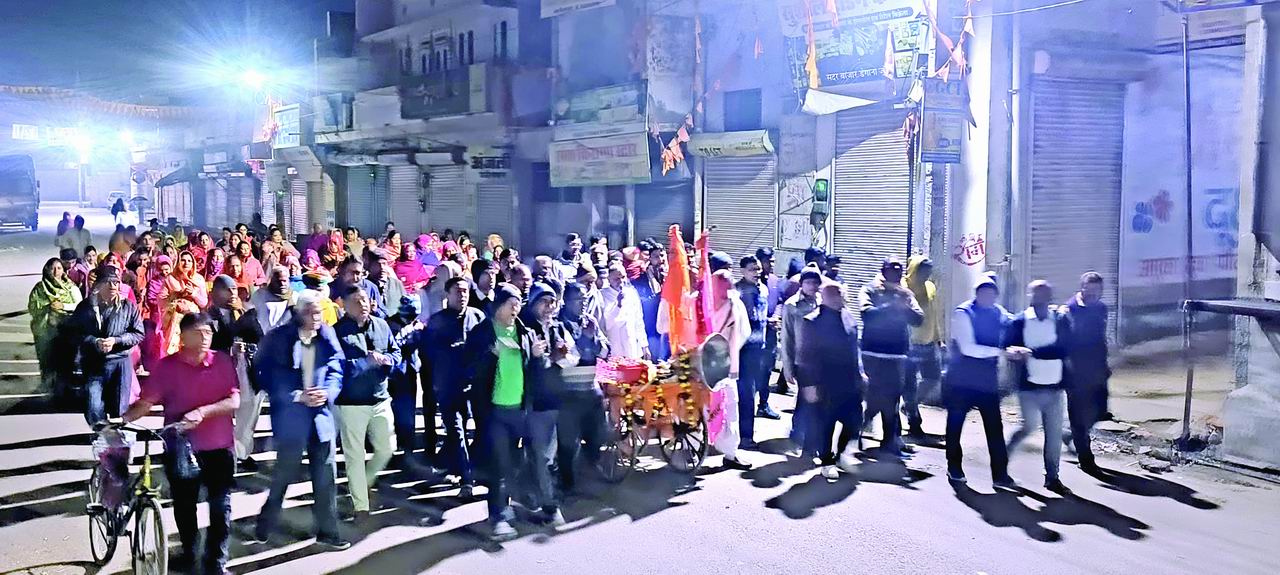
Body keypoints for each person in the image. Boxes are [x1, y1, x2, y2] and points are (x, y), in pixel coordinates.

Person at [122, 313, 239, 574]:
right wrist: (123, 420)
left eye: (208, 332)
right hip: (180, 447)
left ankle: (216, 562)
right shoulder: (167, 367)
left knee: (221, 506)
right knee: (185, 506)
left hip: (219, 446)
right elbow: (146, 402)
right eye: (198, 332)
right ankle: (190, 553)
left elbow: (234, 400)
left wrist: (203, 412)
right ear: (183, 337)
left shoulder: (221, 361)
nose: (205, 338)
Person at [251, 291, 350, 550]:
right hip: (291, 419)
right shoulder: (278, 338)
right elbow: (264, 374)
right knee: (283, 475)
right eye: (311, 312)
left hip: (321, 416)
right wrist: (296, 396)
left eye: (319, 312)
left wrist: (327, 392)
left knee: (325, 478)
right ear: (298, 313)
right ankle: (265, 523)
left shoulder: (327, 334)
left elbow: (337, 367)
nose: (317, 318)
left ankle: (328, 531)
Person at [465, 286, 558, 540]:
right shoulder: (482, 332)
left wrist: (537, 357)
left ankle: (522, 505)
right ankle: (498, 516)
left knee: (521, 461)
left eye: (518, 304)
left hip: (521, 409)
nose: (516, 309)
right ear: (498, 306)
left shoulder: (525, 332)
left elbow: (534, 373)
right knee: (499, 463)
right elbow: (468, 367)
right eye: (511, 304)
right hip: (494, 410)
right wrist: (490, 354)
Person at [333, 285, 401, 521]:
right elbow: (336, 367)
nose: (362, 304)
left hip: (380, 397)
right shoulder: (337, 332)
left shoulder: (381, 325)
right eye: (356, 301)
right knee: (354, 456)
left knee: (387, 449)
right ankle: (360, 506)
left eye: (364, 299)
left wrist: (387, 360)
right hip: (352, 403)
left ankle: (363, 481)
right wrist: (364, 363)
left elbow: (396, 352)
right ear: (344, 305)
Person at [945, 276, 1017, 490]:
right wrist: (1002, 352)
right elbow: (968, 348)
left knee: (995, 428)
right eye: (984, 291)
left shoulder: (998, 311)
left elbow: (1013, 321)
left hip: (986, 382)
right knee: (955, 425)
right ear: (976, 293)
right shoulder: (963, 313)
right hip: (961, 381)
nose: (988, 296)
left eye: (992, 292)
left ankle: (1000, 475)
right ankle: (954, 466)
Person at [1005, 280, 1072, 493]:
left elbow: (1064, 349)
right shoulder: (1020, 321)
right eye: (1037, 294)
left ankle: (1052, 477)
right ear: (1030, 296)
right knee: (1029, 427)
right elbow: (1007, 346)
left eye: (1045, 294)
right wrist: (1013, 353)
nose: (1041, 298)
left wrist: (1032, 352)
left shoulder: (1059, 320)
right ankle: (1001, 462)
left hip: (1054, 387)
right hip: (1029, 388)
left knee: (1054, 436)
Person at [422, 277, 486, 496]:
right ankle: (467, 480)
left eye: (465, 291)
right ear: (447, 295)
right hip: (448, 385)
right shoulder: (437, 321)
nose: (462, 295)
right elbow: (429, 354)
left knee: (476, 430)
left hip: (475, 384)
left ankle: (448, 463)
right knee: (457, 431)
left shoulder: (477, 317)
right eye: (457, 291)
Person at [859, 257, 924, 457]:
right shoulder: (870, 289)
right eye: (891, 270)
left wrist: (904, 307)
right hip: (873, 353)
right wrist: (891, 307)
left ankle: (890, 443)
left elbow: (918, 319)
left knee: (892, 401)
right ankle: (853, 435)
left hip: (897, 355)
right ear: (883, 271)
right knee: (872, 399)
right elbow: (867, 314)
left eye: (898, 271)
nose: (895, 274)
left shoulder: (905, 293)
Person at [800, 283, 864, 479]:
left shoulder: (848, 316)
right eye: (838, 294)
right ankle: (827, 461)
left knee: (854, 420)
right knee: (826, 422)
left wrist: (861, 373)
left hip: (850, 380)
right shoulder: (812, 321)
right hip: (825, 381)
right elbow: (806, 355)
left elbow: (855, 348)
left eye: (842, 293)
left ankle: (840, 453)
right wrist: (809, 384)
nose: (842, 297)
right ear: (827, 297)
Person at [69, 267, 144, 426]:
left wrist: (116, 340)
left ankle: (116, 435)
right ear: (98, 285)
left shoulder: (128, 306)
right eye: (107, 282)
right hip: (94, 362)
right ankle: (100, 433)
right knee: (94, 405)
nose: (112, 286)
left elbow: (138, 333)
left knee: (119, 408)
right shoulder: (85, 307)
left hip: (120, 362)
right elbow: (74, 333)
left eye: (116, 282)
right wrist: (94, 341)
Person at [556, 281, 607, 493]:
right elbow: (571, 357)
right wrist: (586, 339)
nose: (583, 303)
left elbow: (605, 350)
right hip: (568, 391)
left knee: (598, 435)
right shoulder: (559, 324)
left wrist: (592, 338)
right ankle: (567, 485)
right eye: (578, 299)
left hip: (591, 389)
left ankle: (589, 471)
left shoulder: (590, 321)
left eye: (585, 299)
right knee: (568, 442)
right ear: (566, 301)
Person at [1064, 272, 1110, 474]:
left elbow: (1101, 338)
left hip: (1098, 370)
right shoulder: (1069, 310)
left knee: (1100, 411)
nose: (1093, 294)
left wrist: (1104, 365)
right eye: (1089, 289)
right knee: (1079, 417)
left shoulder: (1101, 308)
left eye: (1097, 290)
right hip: (1075, 372)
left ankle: (1071, 436)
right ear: (1081, 288)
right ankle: (1086, 459)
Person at [706, 269, 752, 470]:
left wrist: (728, 351)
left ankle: (730, 452)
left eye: (728, 284)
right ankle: (699, 446)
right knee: (700, 405)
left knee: (730, 405)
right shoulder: (701, 301)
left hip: (726, 363)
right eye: (721, 284)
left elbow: (743, 332)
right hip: (702, 361)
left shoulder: (735, 305)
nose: (725, 289)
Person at [735, 255, 774, 450]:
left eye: (758, 269)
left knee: (755, 390)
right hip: (743, 349)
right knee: (746, 394)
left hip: (760, 348)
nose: (757, 273)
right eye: (752, 269)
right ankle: (745, 437)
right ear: (742, 271)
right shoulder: (737, 291)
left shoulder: (764, 289)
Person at [903, 256, 944, 437]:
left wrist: (938, 338)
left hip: (929, 342)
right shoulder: (903, 288)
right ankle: (914, 422)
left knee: (933, 379)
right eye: (923, 271)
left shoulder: (930, 287)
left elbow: (934, 314)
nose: (927, 274)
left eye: (929, 271)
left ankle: (909, 405)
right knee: (910, 386)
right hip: (909, 345)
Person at [29, 257, 82, 394]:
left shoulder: (70, 287)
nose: (56, 271)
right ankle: (48, 389)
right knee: (47, 361)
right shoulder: (40, 288)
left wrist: (63, 306)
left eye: (59, 268)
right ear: (46, 270)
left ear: (63, 270)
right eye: (52, 268)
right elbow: (32, 307)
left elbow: (79, 305)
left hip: (66, 330)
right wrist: (48, 307)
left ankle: (64, 388)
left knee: (65, 360)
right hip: (45, 331)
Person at [780, 267, 823, 413]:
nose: (812, 286)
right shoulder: (792, 305)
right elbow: (787, 337)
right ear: (801, 284)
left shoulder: (823, 302)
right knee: (803, 403)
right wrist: (788, 367)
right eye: (808, 282)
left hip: (821, 360)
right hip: (802, 362)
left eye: (815, 283)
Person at [599, 263, 648, 360]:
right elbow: (606, 324)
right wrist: (618, 305)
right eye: (617, 279)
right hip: (614, 346)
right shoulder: (602, 295)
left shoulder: (631, 293)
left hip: (632, 345)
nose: (621, 281)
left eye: (623, 277)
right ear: (608, 279)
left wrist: (644, 346)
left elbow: (638, 320)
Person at [631, 243, 669, 361]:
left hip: (669, 330)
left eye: (662, 256)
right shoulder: (640, 280)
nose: (660, 260)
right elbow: (641, 303)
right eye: (656, 257)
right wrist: (659, 296)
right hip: (651, 330)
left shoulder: (672, 278)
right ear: (650, 259)